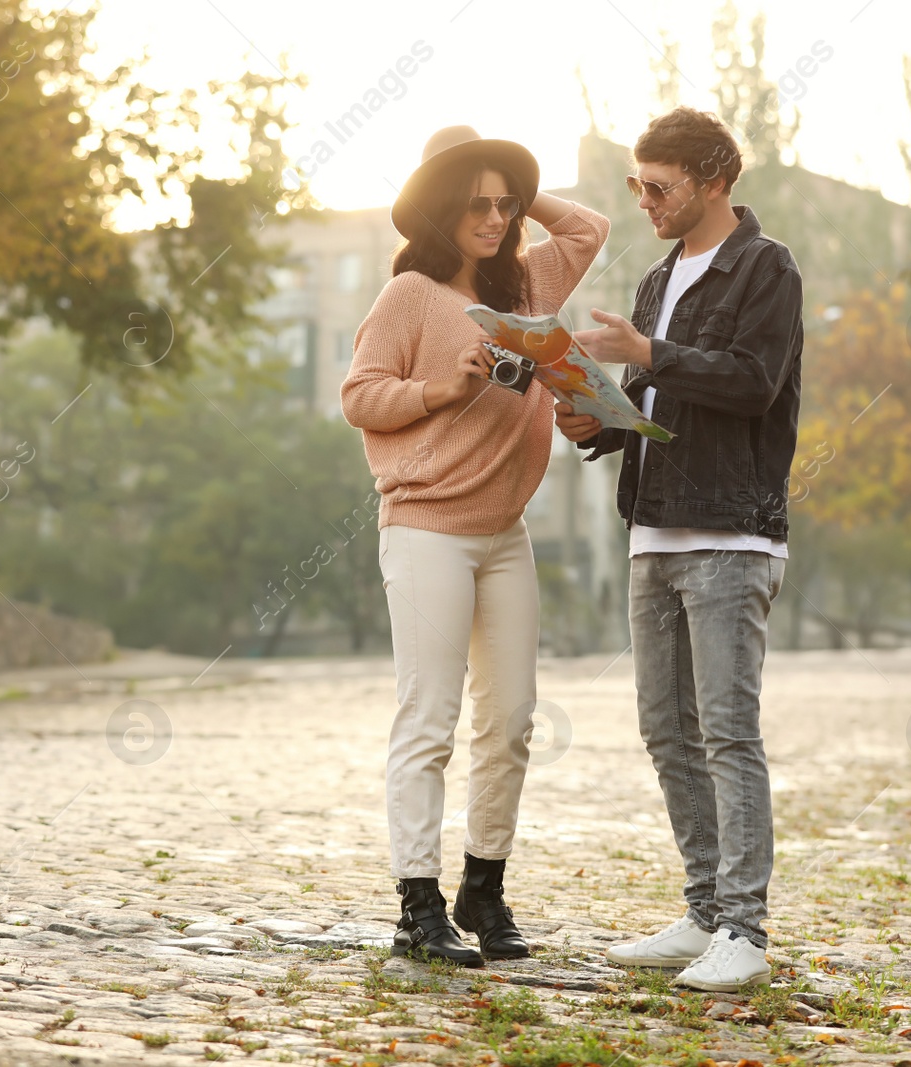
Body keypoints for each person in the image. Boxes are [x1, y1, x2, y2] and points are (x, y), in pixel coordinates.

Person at [341, 126, 610, 967]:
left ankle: (483, 891)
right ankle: (416, 907)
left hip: (505, 533)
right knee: (430, 718)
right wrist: (438, 388)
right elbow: (360, 395)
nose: (495, 218)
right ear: (443, 209)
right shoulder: (411, 296)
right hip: (426, 527)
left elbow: (588, 229)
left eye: (506, 203)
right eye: (478, 203)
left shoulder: (529, 283)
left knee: (514, 719)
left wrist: (520, 185)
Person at [556, 107, 803, 992]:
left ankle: (744, 926)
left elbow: (750, 382)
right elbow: (652, 409)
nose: (645, 200)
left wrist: (649, 353)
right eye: (637, 185)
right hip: (653, 529)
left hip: (732, 533)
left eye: (658, 186)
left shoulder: (766, 268)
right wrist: (596, 417)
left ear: (711, 180)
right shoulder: (658, 278)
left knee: (728, 732)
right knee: (667, 730)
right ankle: (702, 911)